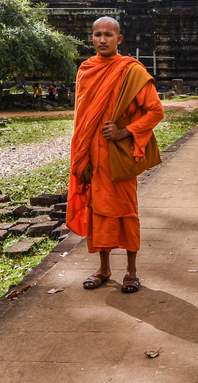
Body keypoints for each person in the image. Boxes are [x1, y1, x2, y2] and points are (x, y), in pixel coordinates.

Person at [70, 17, 164, 294]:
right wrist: (81, 158)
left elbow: (155, 111)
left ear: (119, 39)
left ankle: (131, 271)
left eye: (108, 35)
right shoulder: (86, 70)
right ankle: (103, 269)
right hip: (93, 156)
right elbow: (81, 120)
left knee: (125, 212)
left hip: (119, 156)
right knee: (98, 211)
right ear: (92, 38)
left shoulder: (131, 71)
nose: (102, 39)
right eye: (97, 34)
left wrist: (126, 131)